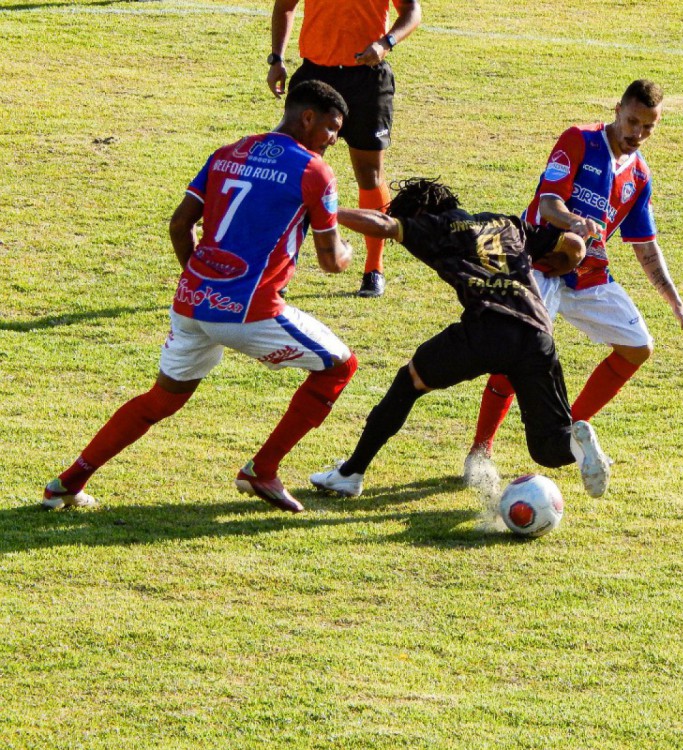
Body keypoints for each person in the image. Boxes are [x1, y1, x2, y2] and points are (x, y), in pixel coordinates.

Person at [42, 81, 359, 514]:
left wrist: (202, 281)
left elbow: (179, 224)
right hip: (249, 311)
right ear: (308, 118)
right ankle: (261, 470)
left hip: (191, 303)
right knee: (339, 367)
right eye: (331, 128)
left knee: (161, 399)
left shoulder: (227, 153)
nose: (333, 140)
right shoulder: (314, 171)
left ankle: (66, 483)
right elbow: (329, 260)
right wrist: (348, 253)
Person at [308, 178, 613, 500]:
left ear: (422, 212)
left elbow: (384, 224)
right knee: (548, 448)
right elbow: (574, 247)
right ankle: (579, 445)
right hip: (536, 333)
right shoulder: (509, 224)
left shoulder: (435, 226)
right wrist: (559, 265)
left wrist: (323, 210)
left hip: (488, 329)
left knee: (409, 382)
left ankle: (351, 473)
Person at [464, 79, 683, 480]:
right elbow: (548, 202)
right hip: (542, 263)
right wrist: (575, 223)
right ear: (617, 110)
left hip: (590, 276)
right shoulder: (579, 140)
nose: (637, 134)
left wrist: (676, 303)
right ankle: (480, 451)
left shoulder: (639, 176)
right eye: (632, 121)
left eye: (648, 127)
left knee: (638, 347)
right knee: (514, 354)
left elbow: (645, 246)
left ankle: (567, 431)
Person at [267, 0, 421, 298]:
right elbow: (285, 5)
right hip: (315, 78)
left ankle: (374, 269)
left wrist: (386, 42)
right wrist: (277, 59)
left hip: (367, 79)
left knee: (369, 175)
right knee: (295, 172)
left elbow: (412, 11)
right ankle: (280, 270)